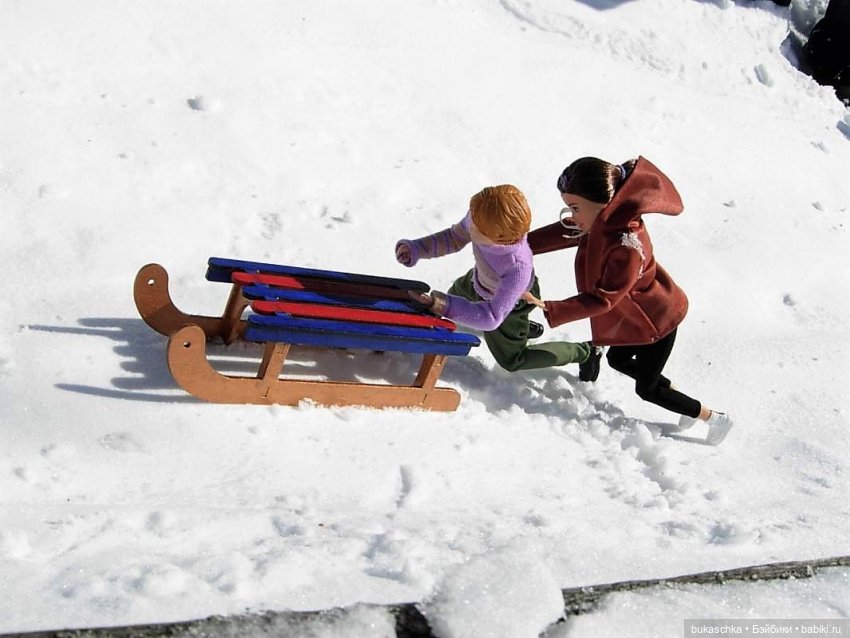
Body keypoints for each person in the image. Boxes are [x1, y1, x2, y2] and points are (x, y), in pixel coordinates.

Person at [524, 157, 733, 445]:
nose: (571, 215)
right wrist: (521, 245)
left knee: (646, 389)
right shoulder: (603, 222)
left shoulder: (626, 245)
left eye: (575, 207)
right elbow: (567, 231)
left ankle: (714, 417)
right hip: (638, 316)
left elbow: (603, 299)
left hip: (658, 320)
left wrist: (551, 307)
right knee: (618, 360)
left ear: (601, 203)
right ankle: (679, 398)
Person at [395, 184, 599, 377]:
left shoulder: (517, 267)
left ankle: (584, 351)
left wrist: (440, 304)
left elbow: (490, 317)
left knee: (513, 360)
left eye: (476, 228)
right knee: (453, 298)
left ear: (499, 238)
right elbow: (454, 237)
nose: (470, 225)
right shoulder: (481, 220)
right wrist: (416, 249)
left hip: (511, 303)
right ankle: (523, 330)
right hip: (477, 281)